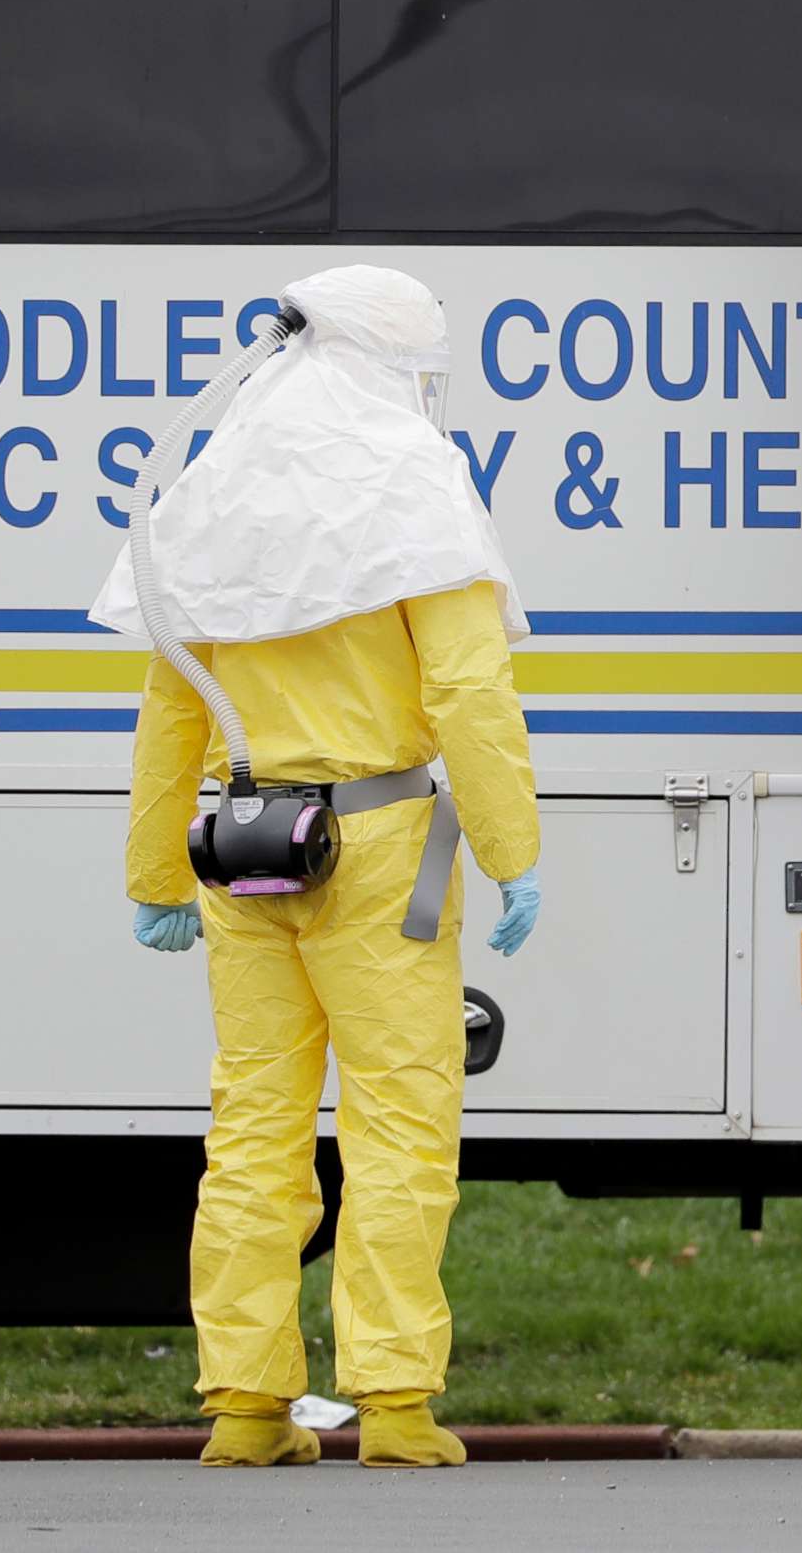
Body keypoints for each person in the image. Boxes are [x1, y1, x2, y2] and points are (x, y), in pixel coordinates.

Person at [99, 265, 541, 1472]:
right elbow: (465, 690)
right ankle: (393, 1407)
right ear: (398, 363)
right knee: (398, 1128)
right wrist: (511, 850)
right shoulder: (412, 482)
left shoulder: (217, 487)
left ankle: (246, 1407)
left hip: (245, 853)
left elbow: (169, 707)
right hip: (384, 857)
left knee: (252, 1129)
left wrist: (152, 876)